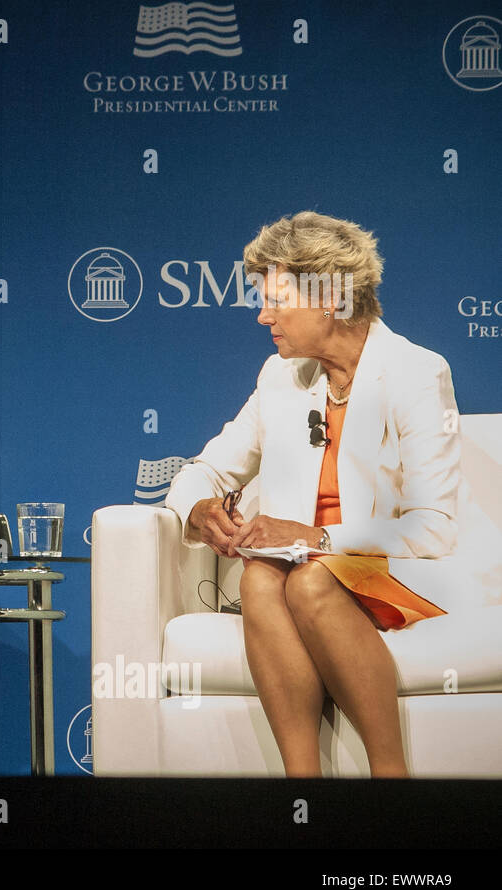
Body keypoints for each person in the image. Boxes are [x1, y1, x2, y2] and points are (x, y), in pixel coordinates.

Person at [165, 211, 460, 778]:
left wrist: (316, 536)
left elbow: (434, 526)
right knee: (262, 574)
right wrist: (201, 509)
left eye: (276, 300)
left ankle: (390, 777)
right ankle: (303, 790)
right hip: (301, 574)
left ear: (329, 297)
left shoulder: (416, 373)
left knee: (312, 578)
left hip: (393, 572)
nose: (262, 316)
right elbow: (203, 470)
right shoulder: (281, 378)